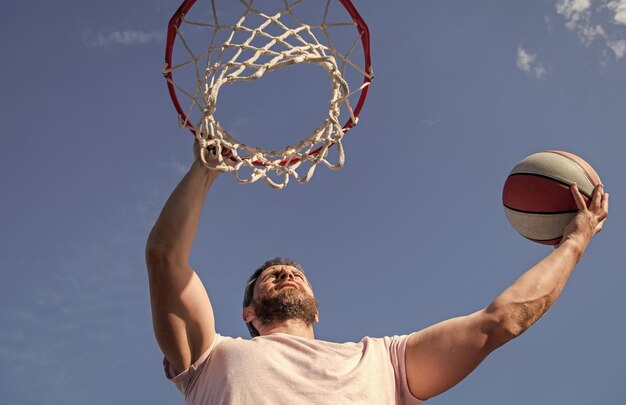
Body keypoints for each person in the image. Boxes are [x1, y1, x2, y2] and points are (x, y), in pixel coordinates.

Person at [146, 141, 609, 404]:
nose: (285, 272)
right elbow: (166, 256)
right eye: (270, 275)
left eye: (293, 271)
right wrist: (204, 169)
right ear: (249, 312)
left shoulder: (382, 361)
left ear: (317, 307)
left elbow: (500, 321)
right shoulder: (212, 358)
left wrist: (575, 241)